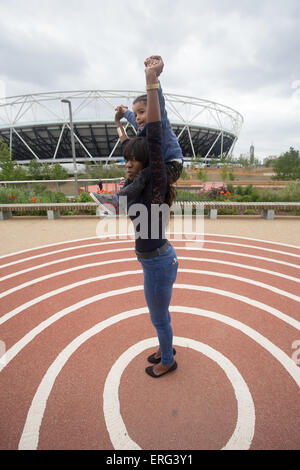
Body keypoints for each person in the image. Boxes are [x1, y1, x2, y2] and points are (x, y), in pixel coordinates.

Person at [122, 57, 178, 377]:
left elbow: (154, 134)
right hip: (155, 259)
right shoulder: (137, 185)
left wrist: (151, 83)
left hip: (158, 261)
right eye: (125, 159)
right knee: (160, 316)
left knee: (158, 317)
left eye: (133, 159)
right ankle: (165, 346)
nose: (128, 164)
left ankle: (168, 360)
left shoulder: (155, 182)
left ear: (147, 162)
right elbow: (136, 144)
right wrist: (121, 124)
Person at [90, 56, 183, 214]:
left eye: (142, 112)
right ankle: (117, 201)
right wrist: (122, 116)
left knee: (144, 174)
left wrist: (153, 77)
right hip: (158, 164)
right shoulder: (143, 129)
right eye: (136, 113)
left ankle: (119, 201)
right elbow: (131, 128)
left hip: (171, 164)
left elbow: (159, 102)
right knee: (135, 178)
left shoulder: (160, 125)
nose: (138, 117)